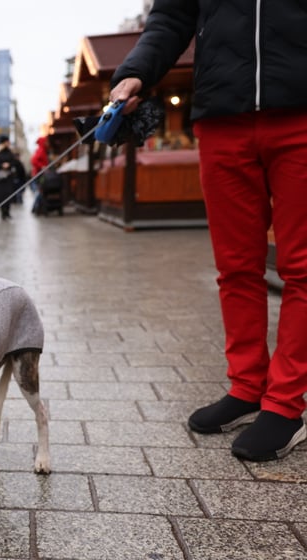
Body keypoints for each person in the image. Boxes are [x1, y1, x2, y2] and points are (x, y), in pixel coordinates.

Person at [111, 0, 307, 462]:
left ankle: (285, 403)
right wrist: (136, 70)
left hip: (300, 110)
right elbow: (172, 16)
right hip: (221, 114)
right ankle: (247, 387)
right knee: (235, 267)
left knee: (301, 267)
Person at [0, 136, 24, 221]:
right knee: (1, 195)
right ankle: (3, 212)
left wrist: (9, 164)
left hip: (8, 176)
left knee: (8, 194)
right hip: (0, 178)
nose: (8, 143)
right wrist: (1, 165)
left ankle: (7, 212)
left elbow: (15, 162)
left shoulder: (10, 151)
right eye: (7, 142)